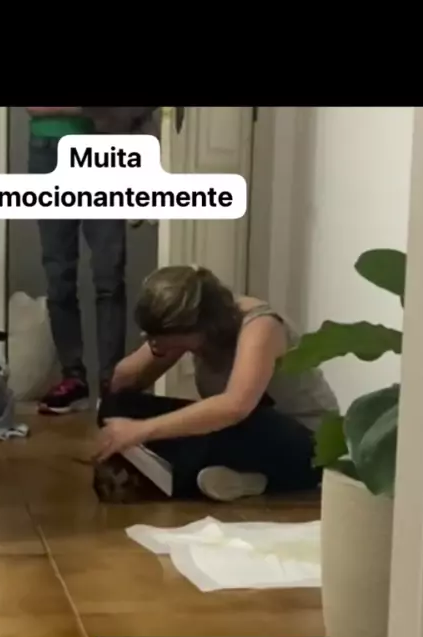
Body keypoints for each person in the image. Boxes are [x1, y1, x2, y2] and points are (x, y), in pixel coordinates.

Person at [95, 265, 339, 503]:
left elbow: (235, 406)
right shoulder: (196, 333)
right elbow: (124, 381)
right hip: (241, 433)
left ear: (196, 328)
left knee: (223, 423)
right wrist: (159, 346)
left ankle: (180, 479)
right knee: (117, 406)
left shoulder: (260, 326)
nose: (148, 338)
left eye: (158, 333)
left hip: (307, 445)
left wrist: (141, 430)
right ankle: (243, 480)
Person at [26, 106, 129, 415]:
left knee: (109, 275)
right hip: (49, 151)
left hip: (104, 149)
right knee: (59, 275)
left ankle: (112, 385)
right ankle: (73, 379)